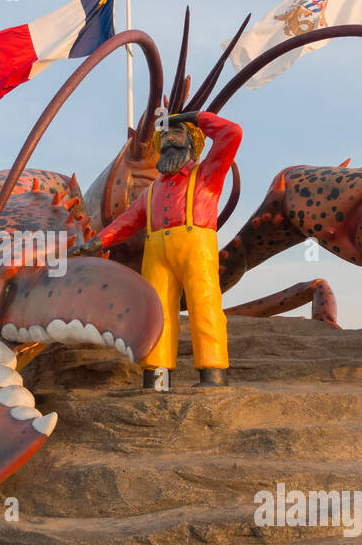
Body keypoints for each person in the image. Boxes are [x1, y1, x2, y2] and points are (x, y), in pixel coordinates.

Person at [71, 110, 242, 388]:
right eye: (165, 135)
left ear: (192, 145)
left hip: (196, 245)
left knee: (204, 305)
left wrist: (195, 117)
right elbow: (127, 221)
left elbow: (232, 132)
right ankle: (157, 376)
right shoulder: (152, 190)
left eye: (177, 134)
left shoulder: (208, 174)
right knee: (158, 312)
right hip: (156, 252)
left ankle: (212, 374)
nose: (169, 139)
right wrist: (98, 242)